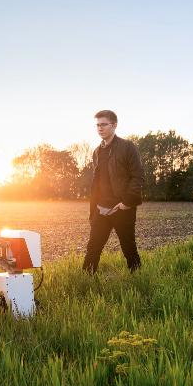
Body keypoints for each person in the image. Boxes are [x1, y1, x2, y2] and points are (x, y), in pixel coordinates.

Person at [83, 110, 143, 274]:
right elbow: (98, 182)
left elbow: (137, 177)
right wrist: (94, 209)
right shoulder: (96, 151)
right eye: (97, 125)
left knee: (129, 248)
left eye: (103, 124)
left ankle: (138, 278)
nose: (99, 128)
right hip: (101, 209)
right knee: (93, 248)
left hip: (122, 208)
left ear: (114, 125)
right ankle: (84, 281)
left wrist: (126, 203)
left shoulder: (127, 147)